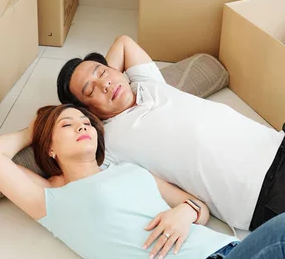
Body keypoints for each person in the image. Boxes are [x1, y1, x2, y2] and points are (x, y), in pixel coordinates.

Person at [0, 107, 285, 259]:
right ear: (48, 145)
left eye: (85, 122)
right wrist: (37, 125)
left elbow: (199, 208)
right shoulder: (53, 197)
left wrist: (183, 213)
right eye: (67, 125)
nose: (82, 127)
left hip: (230, 249)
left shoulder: (131, 170)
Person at [56, 35, 285, 232]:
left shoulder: (147, 83)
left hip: (276, 143)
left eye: (103, 72)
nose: (104, 84)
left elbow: (124, 42)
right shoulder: (109, 144)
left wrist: (108, 78)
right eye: (90, 90)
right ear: (85, 111)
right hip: (261, 191)